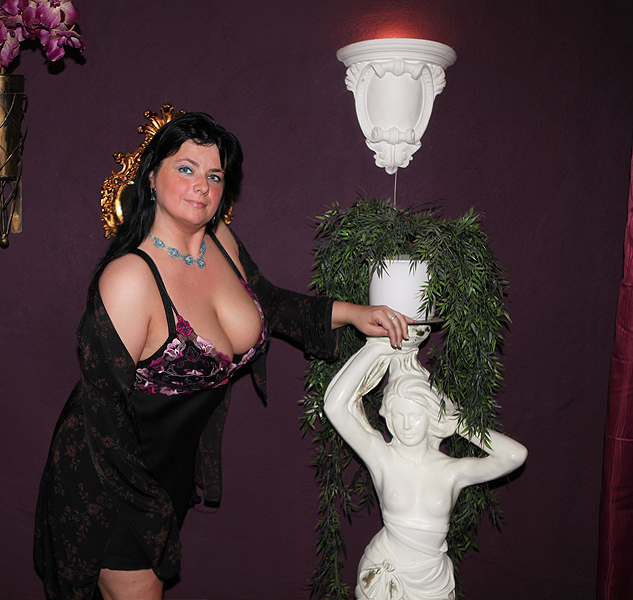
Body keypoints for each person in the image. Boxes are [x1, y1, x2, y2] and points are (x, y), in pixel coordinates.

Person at [33, 112, 410, 600]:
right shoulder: (130, 278)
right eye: (186, 169)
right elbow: (103, 418)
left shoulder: (221, 242)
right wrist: (148, 510)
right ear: (152, 177)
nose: (203, 185)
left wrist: (356, 313)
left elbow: (269, 303)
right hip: (112, 482)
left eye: (215, 175)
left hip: (169, 473)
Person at [323, 330, 528, 600]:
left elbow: (514, 456)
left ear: (431, 417)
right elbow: (334, 407)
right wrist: (378, 347)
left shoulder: (452, 471)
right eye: (398, 415)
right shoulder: (382, 457)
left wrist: (457, 422)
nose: (406, 424)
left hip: (432, 579)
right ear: (388, 417)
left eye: (415, 415)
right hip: (385, 572)